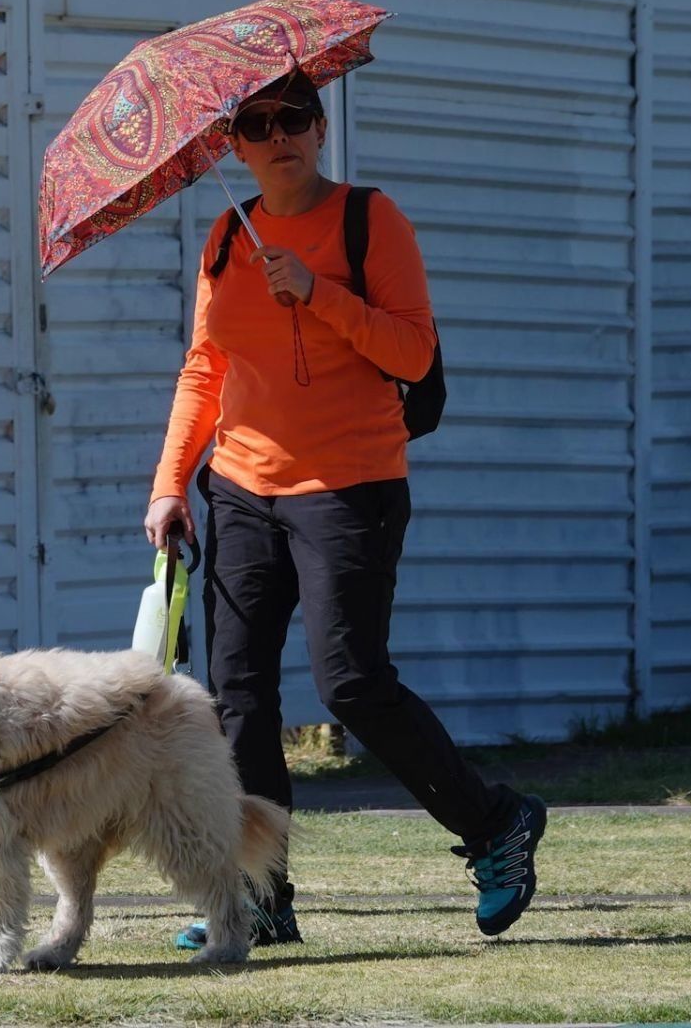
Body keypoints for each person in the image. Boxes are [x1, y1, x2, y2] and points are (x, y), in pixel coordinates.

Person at [142, 72, 546, 947]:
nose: (278, 134)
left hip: (350, 484)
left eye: (294, 118)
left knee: (352, 682)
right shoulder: (224, 236)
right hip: (242, 487)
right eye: (257, 124)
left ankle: (495, 825)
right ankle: (263, 895)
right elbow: (205, 370)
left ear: (320, 129)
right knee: (238, 695)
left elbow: (413, 348)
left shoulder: (371, 221)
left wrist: (319, 294)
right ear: (235, 145)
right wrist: (171, 483)